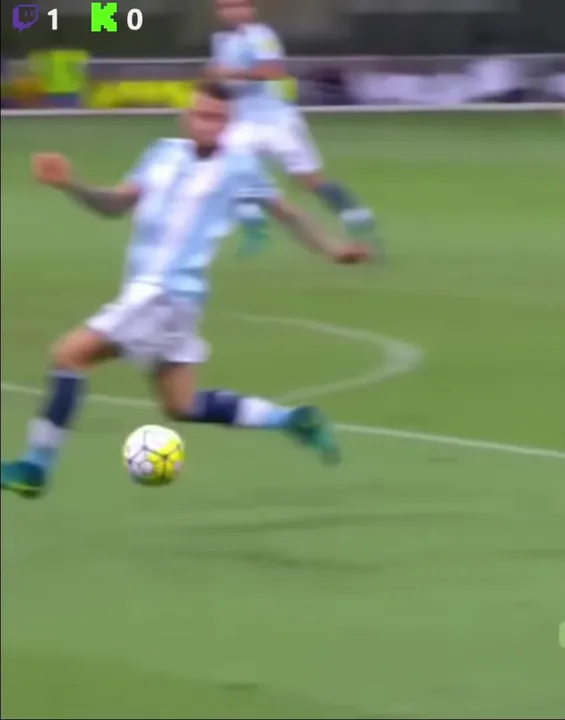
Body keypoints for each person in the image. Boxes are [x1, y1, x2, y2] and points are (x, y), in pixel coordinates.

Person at [0, 80, 371, 500]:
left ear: (228, 125)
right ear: (186, 117)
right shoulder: (161, 153)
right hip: (169, 300)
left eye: (217, 118)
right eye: (200, 115)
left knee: (69, 355)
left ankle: (36, 466)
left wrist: (333, 249)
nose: (207, 124)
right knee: (182, 405)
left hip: (162, 292)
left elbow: (290, 214)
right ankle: (293, 420)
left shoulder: (239, 167)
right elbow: (116, 204)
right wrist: (72, 184)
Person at [208, 0, 380, 257]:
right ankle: (255, 226)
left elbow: (273, 70)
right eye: (225, 7)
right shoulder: (224, 42)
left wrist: (231, 74)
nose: (232, 11)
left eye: (238, 5)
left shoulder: (261, 35)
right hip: (243, 122)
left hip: (277, 120)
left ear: (251, 8)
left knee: (308, 180)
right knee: (232, 174)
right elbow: (220, 80)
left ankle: (355, 216)